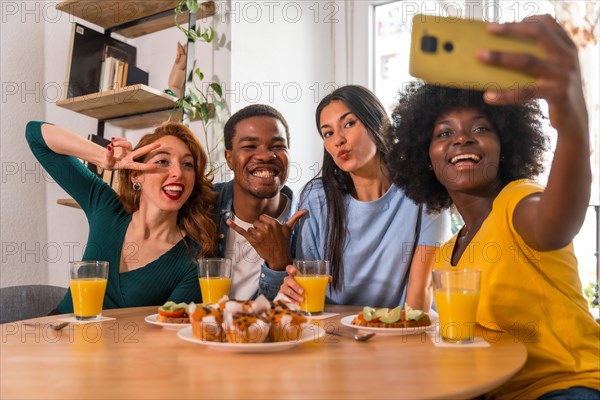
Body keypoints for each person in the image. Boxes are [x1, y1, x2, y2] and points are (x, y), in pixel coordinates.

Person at [389, 15, 599, 400]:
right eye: (444, 133)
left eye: (481, 128)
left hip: (567, 386)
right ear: (426, 156)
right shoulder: (448, 253)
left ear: (506, 146)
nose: (462, 138)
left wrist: (572, 122)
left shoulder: (518, 201)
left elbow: (557, 223)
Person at [279, 85, 450, 310]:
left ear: (377, 123)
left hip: (400, 329)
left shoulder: (423, 190)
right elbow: (307, 285)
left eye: (349, 124)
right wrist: (293, 288)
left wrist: (404, 339)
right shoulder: (317, 197)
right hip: (334, 332)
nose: (338, 139)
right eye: (328, 133)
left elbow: (422, 291)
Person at [26, 121, 217, 313]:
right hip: (57, 335)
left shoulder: (194, 258)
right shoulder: (106, 208)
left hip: (119, 343)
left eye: (187, 164)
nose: (177, 173)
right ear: (135, 174)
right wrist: (104, 157)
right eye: (162, 161)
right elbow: (35, 134)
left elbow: (169, 329)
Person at [215, 104, 307, 300]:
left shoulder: (309, 225)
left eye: (278, 147)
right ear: (229, 158)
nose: (266, 156)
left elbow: (296, 318)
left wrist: (280, 263)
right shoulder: (203, 205)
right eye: (250, 146)